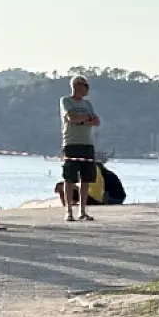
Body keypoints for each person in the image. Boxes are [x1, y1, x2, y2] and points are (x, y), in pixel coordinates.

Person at [60, 75, 100, 222]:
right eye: (85, 85)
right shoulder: (66, 101)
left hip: (87, 144)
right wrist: (86, 120)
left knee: (86, 178)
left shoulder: (88, 104)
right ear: (77, 86)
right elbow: (72, 118)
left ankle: (82, 211)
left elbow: (97, 121)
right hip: (71, 143)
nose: (88, 89)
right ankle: (68, 211)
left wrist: (83, 120)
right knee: (69, 178)